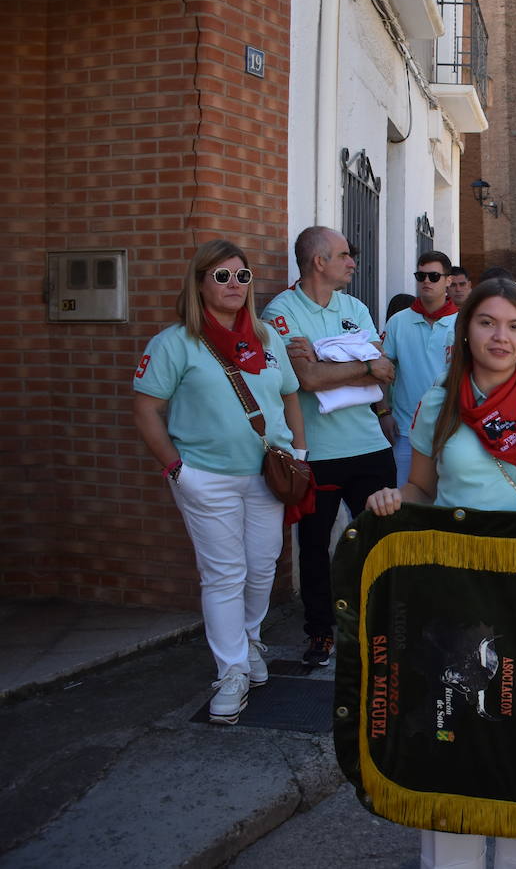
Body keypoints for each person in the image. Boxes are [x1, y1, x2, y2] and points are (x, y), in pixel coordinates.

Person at [366, 278, 516, 869]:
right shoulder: (438, 404)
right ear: (466, 330)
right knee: (454, 731)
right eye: (488, 322)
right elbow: (422, 486)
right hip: (455, 595)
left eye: (515, 326)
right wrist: (397, 500)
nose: (501, 336)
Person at [133, 240, 307, 723]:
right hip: (205, 477)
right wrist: (176, 469)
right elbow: (147, 409)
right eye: (222, 276)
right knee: (225, 574)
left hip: (268, 476)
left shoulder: (268, 338)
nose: (234, 285)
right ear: (200, 283)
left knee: (263, 565)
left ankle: (250, 639)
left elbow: (291, 395)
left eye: (242, 277)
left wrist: (299, 450)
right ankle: (231, 670)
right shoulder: (175, 342)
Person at [261, 226, 397, 666]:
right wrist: (358, 362)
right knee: (315, 548)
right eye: (344, 255)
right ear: (319, 261)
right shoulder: (281, 311)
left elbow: (385, 371)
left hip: (370, 448)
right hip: (316, 455)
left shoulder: (354, 306)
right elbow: (306, 380)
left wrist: (325, 357)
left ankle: (382, 624)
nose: (352, 262)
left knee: (380, 541)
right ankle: (320, 632)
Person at [383, 251, 459, 485]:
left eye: (434, 276)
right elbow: (382, 370)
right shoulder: (398, 321)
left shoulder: (465, 322)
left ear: (448, 280)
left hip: (454, 432)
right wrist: (383, 412)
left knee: (451, 508)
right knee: (407, 508)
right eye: (421, 275)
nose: (426, 281)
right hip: (406, 432)